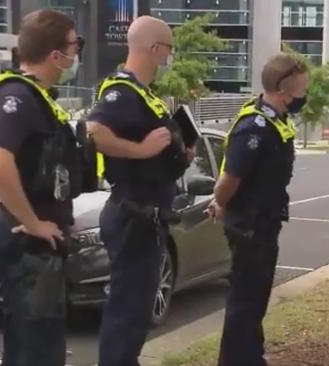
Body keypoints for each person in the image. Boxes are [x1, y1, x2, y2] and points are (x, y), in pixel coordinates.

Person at [0, 9, 85, 366]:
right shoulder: (18, 97)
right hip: (26, 245)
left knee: (31, 344)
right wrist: (33, 221)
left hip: (35, 245)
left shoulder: (40, 98)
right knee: (38, 350)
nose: (77, 54)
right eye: (75, 45)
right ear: (56, 55)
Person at [86, 16, 194, 366]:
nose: (168, 59)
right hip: (133, 211)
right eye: (168, 51)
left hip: (149, 214)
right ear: (154, 48)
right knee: (127, 310)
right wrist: (143, 150)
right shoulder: (122, 91)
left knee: (137, 311)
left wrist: (179, 150)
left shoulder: (145, 96)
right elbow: (94, 132)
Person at [207, 53, 309, 366]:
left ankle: (248, 357)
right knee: (246, 302)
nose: (304, 96)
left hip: (264, 224)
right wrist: (220, 202)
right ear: (283, 92)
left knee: (253, 302)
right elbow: (230, 179)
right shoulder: (255, 127)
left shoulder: (275, 121)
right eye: (302, 90)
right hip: (250, 227)